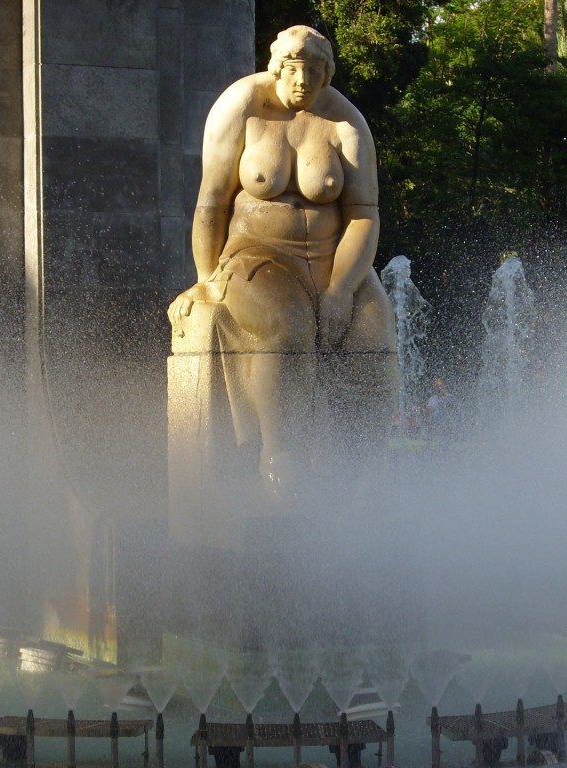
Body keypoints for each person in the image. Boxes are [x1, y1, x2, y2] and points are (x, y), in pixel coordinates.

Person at [168, 26, 397, 491]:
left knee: (374, 329)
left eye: (314, 74)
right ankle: (279, 458)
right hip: (255, 254)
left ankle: (363, 471)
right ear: (277, 68)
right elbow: (211, 201)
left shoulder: (347, 124)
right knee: (288, 324)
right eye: (294, 72)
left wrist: (340, 289)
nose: (302, 83)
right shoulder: (242, 106)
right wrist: (205, 276)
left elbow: (364, 216)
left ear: (327, 74)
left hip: (335, 260)